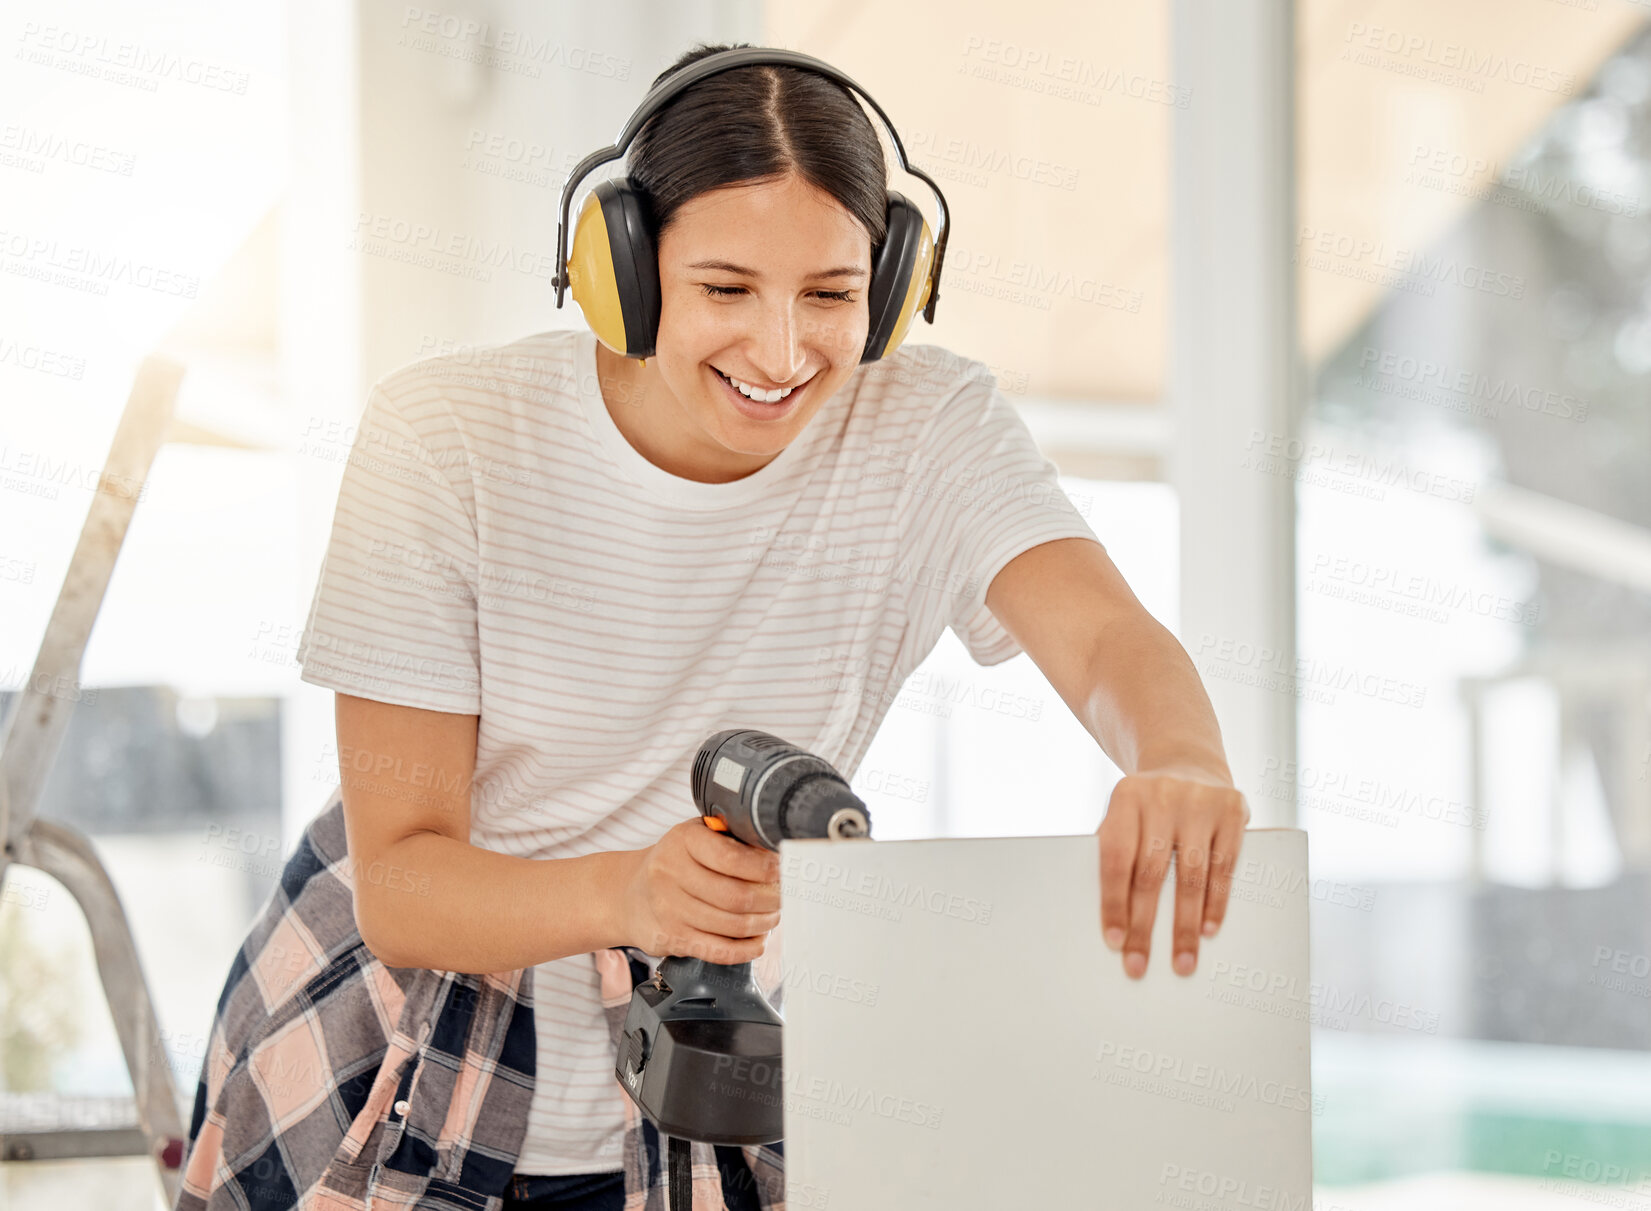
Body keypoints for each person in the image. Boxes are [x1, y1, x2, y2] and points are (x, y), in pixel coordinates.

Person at [176, 39, 1247, 1211]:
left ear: (889, 285)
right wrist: (626, 893)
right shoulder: (449, 439)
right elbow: (403, 886)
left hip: (703, 1056)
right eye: (726, 289)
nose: (782, 354)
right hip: (397, 1057)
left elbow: (1104, 639)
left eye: (832, 295)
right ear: (622, 273)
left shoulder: (928, 427)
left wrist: (1181, 760)